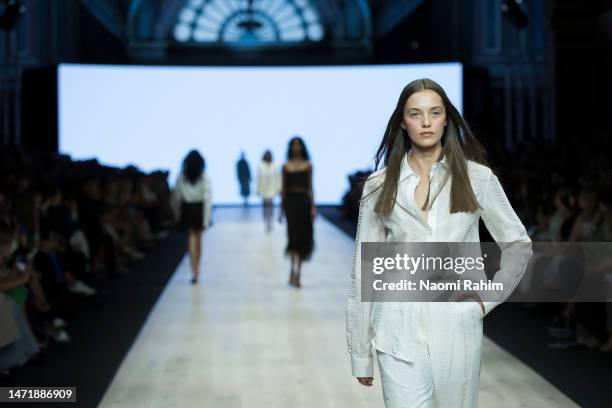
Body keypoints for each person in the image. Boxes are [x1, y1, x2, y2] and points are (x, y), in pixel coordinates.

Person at [346, 78, 532, 407]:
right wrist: (360, 350)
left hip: (456, 328)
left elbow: (518, 244)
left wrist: (484, 301)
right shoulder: (378, 186)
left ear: (446, 118)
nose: (427, 121)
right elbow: (365, 272)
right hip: (397, 330)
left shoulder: (477, 178)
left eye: (435, 112)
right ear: (403, 122)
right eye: (416, 114)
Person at [280, 137, 316, 288]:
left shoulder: (308, 165)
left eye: (298, 144)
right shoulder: (285, 166)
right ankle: (292, 270)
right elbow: (283, 188)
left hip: (304, 203)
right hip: (290, 203)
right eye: (294, 145)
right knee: (293, 237)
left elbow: (310, 187)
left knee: (303, 238)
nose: (296, 147)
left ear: (302, 147)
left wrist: (313, 206)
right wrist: (281, 209)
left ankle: (298, 273)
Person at [172, 150, 212, 284]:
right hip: (199, 208)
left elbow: (176, 197)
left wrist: (177, 214)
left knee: (191, 238)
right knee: (198, 239)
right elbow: (208, 197)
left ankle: (193, 269)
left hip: (187, 208)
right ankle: (197, 269)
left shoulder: (181, 176)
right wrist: (207, 217)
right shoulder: (204, 176)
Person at [256, 150, 280, 232]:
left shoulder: (275, 165)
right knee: (264, 206)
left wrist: (278, 188)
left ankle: (270, 222)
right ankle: (266, 222)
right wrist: (257, 189)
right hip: (263, 188)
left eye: (268, 155)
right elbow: (258, 178)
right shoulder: (260, 165)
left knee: (270, 205)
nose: (267, 157)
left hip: (272, 188)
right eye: (266, 155)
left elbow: (277, 177)